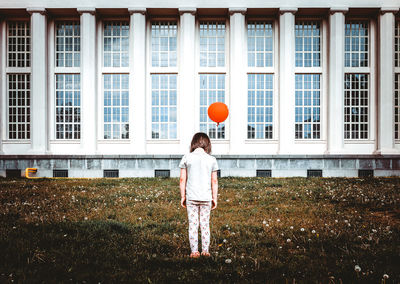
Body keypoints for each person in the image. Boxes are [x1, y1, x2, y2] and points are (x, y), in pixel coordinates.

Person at [179, 132, 219, 258]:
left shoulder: (186, 157)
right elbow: (214, 181)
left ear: (193, 144)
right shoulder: (212, 159)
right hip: (206, 198)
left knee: (193, 224)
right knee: (205, 224)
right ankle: (205, 250)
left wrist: (183, 196)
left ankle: (194, 251)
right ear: (207, 145)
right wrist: (214, 198)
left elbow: (182, 179)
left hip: (192, 197)